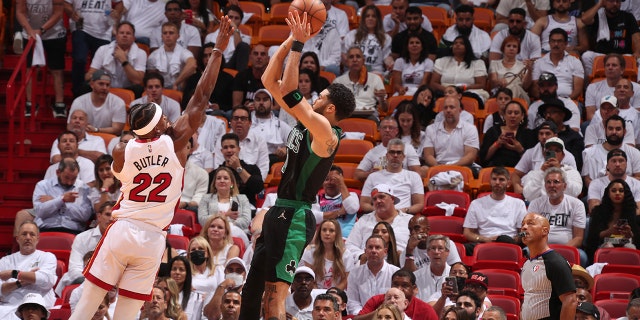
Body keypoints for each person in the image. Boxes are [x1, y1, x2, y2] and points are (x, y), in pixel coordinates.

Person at [69, 16, 233, 319]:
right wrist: (218, 51)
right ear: (159, 125)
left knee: (85, 308)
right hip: (153, 238)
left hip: (122, 230)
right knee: (128, 314)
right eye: (164, 117)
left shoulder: (121, 149)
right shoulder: (176, 142)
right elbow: (201, 97)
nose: (170, 119)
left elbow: (122, 166)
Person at [239, 11, 356, 320]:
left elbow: (290, 90)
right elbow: (269, 80)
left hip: (295, 216)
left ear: (330, 108)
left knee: (276, 294)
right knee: (252, 291)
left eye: (322, 96)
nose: (315, 97)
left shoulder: (325, 133)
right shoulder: (308, 119)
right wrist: (292, 36)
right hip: (279, 210)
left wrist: (299, 44)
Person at [15, 0, 67, 118]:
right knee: (31, 69)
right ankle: (30, 103)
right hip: (29, 32)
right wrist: (30, 30)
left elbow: (58, 12)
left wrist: (42, 30)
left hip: (54, 33)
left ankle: (59, 103)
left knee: (57, 70)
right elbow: (20, 12)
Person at [520, 213, 577, 320]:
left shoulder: (555, 262)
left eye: (530, 223)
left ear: (545, 231)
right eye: (523, 224)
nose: (524, 227)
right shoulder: (527, 264)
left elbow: (570, 300)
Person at [527, 167, 588, 265]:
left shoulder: (577, 204)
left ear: (564, 186)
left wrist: (560, 250)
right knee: (526, 251)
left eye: (556, 182)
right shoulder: (535, 204)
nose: (552, 185)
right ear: (545, 186)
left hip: (567, 248)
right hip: (540, 248)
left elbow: (578, 238)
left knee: (582, 256)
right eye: (548, 182)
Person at [54, 201, 114, 297]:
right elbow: (75, 269)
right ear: (99, 217)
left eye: (115, 216)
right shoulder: (82, 238)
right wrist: (95, 283)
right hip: (82, 282)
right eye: (107, 214)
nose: (111, 219)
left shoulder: (126, 241)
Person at [463, 167, 527, 254]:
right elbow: (467, 233)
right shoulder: (476, 203)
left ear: (508, 183)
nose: (497, 182)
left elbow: (524, 233)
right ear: (490, 181)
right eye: (494, 179)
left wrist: (513, 240)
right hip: (483, 243)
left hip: (509, 244)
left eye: (501, 180)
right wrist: (484, 239)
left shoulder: (519, 204)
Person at [346, 183, 411, 260]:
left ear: (392, 199)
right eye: (374, 199)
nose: (378, 201)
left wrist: (405, 256)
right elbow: (350, 245)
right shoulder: (363, 221)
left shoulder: (409, 220)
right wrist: (362, 256)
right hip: (368, 264)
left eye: (381, 197)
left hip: (401, 265)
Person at [512, 121, 578, 194]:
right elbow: (516, 174)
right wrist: (516, 186)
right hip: (536, 194)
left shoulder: (568, 157)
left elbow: (574, 186)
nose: (544, 137)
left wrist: (559, 169)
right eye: (541, 134)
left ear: (555, 136)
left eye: (547, 133)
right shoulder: (530, 153)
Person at [360, 140, 425, 214]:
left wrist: (402, 211)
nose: (395, 155)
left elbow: (419, 204)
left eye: (399, 152)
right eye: (392, 152)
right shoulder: (373, 177)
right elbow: (364, 203)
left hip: (403, 216)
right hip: (377, 214)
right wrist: (378, 210)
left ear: (403, 157)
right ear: (387, 156)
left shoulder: (414, 176)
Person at [580, 0, 640, 78]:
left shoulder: (628, 17)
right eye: (611, 1)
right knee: (586, 56)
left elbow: (636, 37)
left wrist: (637, 52)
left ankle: (637, 88)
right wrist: (600, 4)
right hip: (602, 55)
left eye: (617, 1)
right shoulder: (598, 16)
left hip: (623, 55)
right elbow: (584, 19)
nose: (615, 4)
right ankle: (590, 86)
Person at [86, 21, 146, 97]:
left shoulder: (141, 53)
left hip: (128, 89)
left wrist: (124, 61)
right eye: (121, 33)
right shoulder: (103, 50)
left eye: (128, 33)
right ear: (116, 36)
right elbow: (89, 75)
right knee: (86, 86)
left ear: (134, 38)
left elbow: (138, 80)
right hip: (105, 87)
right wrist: (95, 76)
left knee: (139, 89)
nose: (124, 35)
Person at [34, 157, 93, 234]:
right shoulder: (43, 185)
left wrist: (57, 201)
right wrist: (62, 199)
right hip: (46, 229)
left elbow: (85, 216)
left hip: (74, 231)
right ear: (58, 172)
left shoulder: (83, 188)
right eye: (66, 178)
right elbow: (40, 212)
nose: (69, 182)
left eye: (73, 178)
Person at [355, 118, 424, 182]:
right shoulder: (373, 152)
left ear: (396, 131)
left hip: (402, 184)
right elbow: (357, 175)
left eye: (391, 128)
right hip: (379, 187)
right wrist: (370, 174)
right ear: (379, 130)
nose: (387, 130)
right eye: (384, 127)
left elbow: (417, 174)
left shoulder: (408, 148)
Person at [587, 179, 640, 260]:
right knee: (608, 246)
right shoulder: (598, 211)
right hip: (604, 244)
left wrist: (630, 234)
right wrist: (609, 232)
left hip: (626, 244)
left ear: (626, 194)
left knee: (630, 247)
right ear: (608, 193)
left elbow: (637, 238)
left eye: (621, 191)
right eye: (614, 191)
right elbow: (593, 237)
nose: (617, 193)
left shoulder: (632, 212)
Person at [346, 236, 400, 315]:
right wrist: (365, 315)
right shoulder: (355, 273)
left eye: (377, 248)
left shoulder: (395, 273)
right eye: (370, 247)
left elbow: (398, 301)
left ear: (385, 251)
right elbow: (352, 302)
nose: (373, 251)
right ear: (365, 251)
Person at [355, 269, 439, 320]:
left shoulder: (426, 310)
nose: (399, 289)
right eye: (395, 284)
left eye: (404, 286)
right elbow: (356, 319)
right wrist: (380, 312)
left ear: (414, 289)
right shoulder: (376, 300)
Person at [422, 96, 480, 168]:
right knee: (423, 170)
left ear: (460, 110)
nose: (448, 110)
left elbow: (470, 156)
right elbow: (428, 155)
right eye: (445, 108)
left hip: (462, 166)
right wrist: (439, 167)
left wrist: (451, 167)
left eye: (452, 107)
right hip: (438, 166)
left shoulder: (470, 129)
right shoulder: (431, 129)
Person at [213, 106, 270, 180]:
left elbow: (263, 168)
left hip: (252, 184)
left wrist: (255, 185)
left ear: (250, 123)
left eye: (243, 119)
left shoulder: (259, 141)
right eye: (236, 118)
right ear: (231, 122)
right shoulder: (222, 140)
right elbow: (218, 166)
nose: (239, 121)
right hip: (227, 183)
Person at [333, 46, 388, 121]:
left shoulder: (375, 79)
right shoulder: (338, 81)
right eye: (351, 57)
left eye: (358, 57)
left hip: (369, 116)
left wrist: (382, 99)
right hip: (345, 116)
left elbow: (384, 109)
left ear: (363, 60)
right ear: (347, 61)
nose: (355, 60)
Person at [430, 36, 489, 104]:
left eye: (461, 43)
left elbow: (481, 84)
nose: (457, 45)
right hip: (444, 91)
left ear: (467, 47)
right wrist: (448, 90)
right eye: (455, 43)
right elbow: (433, 83)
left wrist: (464, 88)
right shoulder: (441, 61)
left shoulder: (478, 63)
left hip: (468, 91)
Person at [531, 28, 585, 101]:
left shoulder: (575, 62)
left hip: (568, 101)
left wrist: (566, 102)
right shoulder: (539, 63)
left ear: (566, 44)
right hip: (544, 101)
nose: (556, 44)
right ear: (549, 43)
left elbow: (578, 90)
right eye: (553, 41)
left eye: (559, 41)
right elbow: (535, 88)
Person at [68, 70, 127, 135]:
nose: (105, 88)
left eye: (107, 85)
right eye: (101, 84)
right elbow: (70, 126)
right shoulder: (79, 101)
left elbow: (117, 129)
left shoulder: (118, 102)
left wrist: (96, 130)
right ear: (92, 84)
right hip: (85, 138)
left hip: (109, 139)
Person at [584, 53, 640, 122]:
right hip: (601, 125)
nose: (610, 68)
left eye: (614, 65)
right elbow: (590, 115)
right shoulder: (592, 87)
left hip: (628, 124)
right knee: (585, 125)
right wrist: (607, 126)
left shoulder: (636, 88)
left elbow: (637, 116)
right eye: (607, 65)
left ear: (622, 69)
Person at [479, 100, 536, 167]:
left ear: (522, 116)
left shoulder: (528, 134)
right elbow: (484, 158)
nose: (512, 116)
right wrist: (497, 144)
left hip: (518, 171)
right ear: (504, 115)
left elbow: (532, 163)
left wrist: (520, 150)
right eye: (509, 113)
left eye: (516, 113)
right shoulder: (493, 131)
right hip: (495, 169)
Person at [215, 133, 264, 207]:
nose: (229, 150)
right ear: (221, 151)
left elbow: (258, 188)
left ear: (238, 149)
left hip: (247, 208)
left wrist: (239, 169)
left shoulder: (252, 169)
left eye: (232, 147)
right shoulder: (215, 174)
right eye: (225, 147)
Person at [301, 219, 353, 290]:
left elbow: (346, 280)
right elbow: (309, 278)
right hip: (315, 292)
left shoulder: (346, 255)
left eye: (331, 230)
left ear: (337, 234)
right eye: (324, 230)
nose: (327, 233)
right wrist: (317, 293)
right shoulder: (310, 252)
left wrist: (333, 293)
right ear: (320, 233)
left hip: (337, 293)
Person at [199, 167, 251, 235]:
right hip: (212, 233)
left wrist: (227, 226)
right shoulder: (206, 198)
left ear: (232, 183)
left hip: (237, 233)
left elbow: (246, 220)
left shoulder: (242, 199)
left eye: (226, 178)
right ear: (215, 183)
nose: (222, 180)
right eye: (219, 178)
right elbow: (203, 220)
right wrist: (225, 214)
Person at [311, 165, 360, 237]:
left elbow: (352, 209)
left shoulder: (352, 195)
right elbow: (314, 217)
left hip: (346, 239)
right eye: (326, 179)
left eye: (333, 179)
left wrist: (342, 184)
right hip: (323, 240)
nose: (329, 183)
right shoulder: (317, 198)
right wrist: (339, 212)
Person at [342, 5, 392, 75]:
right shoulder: (351, 35)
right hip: (354, 71)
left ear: (378, 19)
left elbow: (386, 57)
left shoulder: (386, 38)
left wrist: (390, 63)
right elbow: (344, 54)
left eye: (374, 16)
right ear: (363, 19)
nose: (370, 18)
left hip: (376, 73)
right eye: (367, 16)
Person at [147, 22, 197, 90]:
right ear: (162, 36)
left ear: (178, 36)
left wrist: (176, 83)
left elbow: (192, 65)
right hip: (161, 90)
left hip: (180, 88)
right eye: (165, 33)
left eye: (171, 33)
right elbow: (151, 77)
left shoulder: (184, 52)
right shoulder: (153, 56)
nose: (168, 36)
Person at [249, 88, 293, 166]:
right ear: (254, 103)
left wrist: (286, 149)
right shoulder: (246, 123)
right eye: (258, 100)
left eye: (265, 100)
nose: (261, 103)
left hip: (273, 162)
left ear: (271, 104)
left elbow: (296, 144)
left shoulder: (280, 125)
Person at [203, 5, 251, 72]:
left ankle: (240, 80)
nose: (233, 20)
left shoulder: (246, 38)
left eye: (236, 18)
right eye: (230, 17)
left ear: (240, 21)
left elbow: (240, 53)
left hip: (233, 65)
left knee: (243, 46)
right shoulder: (210, 36)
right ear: (225, 18)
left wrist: (235, 29)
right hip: (215, 64)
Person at [488, 36, 532, 105]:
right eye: (508, 46)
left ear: (518, 50)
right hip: (501, 94)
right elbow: (493, 82)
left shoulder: (523, 65)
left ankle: (508, 109)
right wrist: (499, 81)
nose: (511, 48)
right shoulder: (494, 64)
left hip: (521, 96)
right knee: (509, 89)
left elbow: (525, 86)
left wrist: (530, 71)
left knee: (514, 87)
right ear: (503, 48)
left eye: (514, 46)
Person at [415, 235, 452, 301]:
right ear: (428, 252)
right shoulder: (416, 276)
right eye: (433, 248)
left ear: (447, 252)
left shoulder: (453, 275)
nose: (436, 252)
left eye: (440, 248)